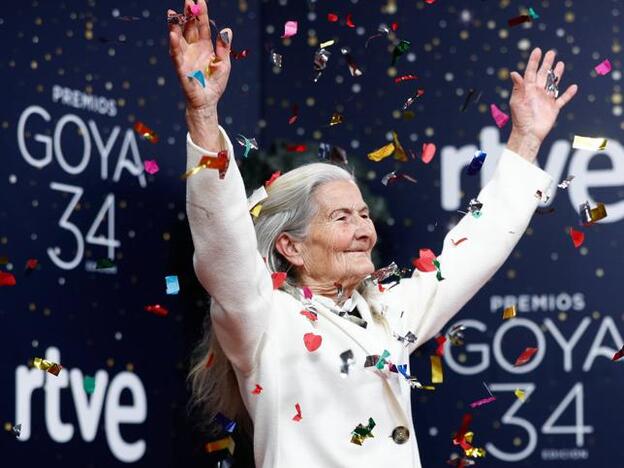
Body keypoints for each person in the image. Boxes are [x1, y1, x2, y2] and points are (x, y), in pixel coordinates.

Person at [168, 1, 578, 466]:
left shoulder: (387, 310)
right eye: (342, 217)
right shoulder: (262, 319)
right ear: (291, 246)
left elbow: (475, 250)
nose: (364, 229)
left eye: (364, 215)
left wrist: (525, 138)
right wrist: (203, 113)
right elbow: (224, 243)